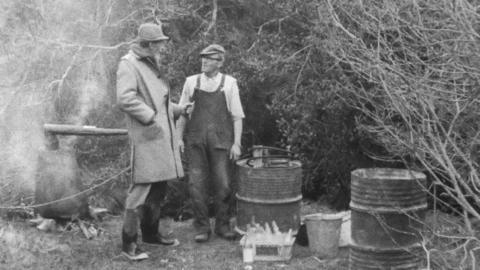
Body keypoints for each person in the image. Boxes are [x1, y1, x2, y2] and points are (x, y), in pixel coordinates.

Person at [116, 22, 190, 260]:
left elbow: (161, 102)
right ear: (146, 44)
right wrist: (150, 118)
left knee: (158, 188)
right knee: (141, 189)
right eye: (158, 42)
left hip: (160, 137)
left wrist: (179, 109)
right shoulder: (128, 64)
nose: (162, 46)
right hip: (147, 137)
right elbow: (125, 99)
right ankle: (129, 243)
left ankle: (150, 234)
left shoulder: (150, 61)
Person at [177, 44, 245, 243]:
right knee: (196, 185)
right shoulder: (191, 82)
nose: (204, 61)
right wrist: (178, 138)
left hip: (221, 142)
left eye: (209, 58)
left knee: (223, 184)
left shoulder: (229, 83)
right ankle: (202, 228)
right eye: (203, 58)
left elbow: (237, 117)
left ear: (220, 62)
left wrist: (237, 144)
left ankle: (223, 226)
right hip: (196, 141)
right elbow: (182, 113)